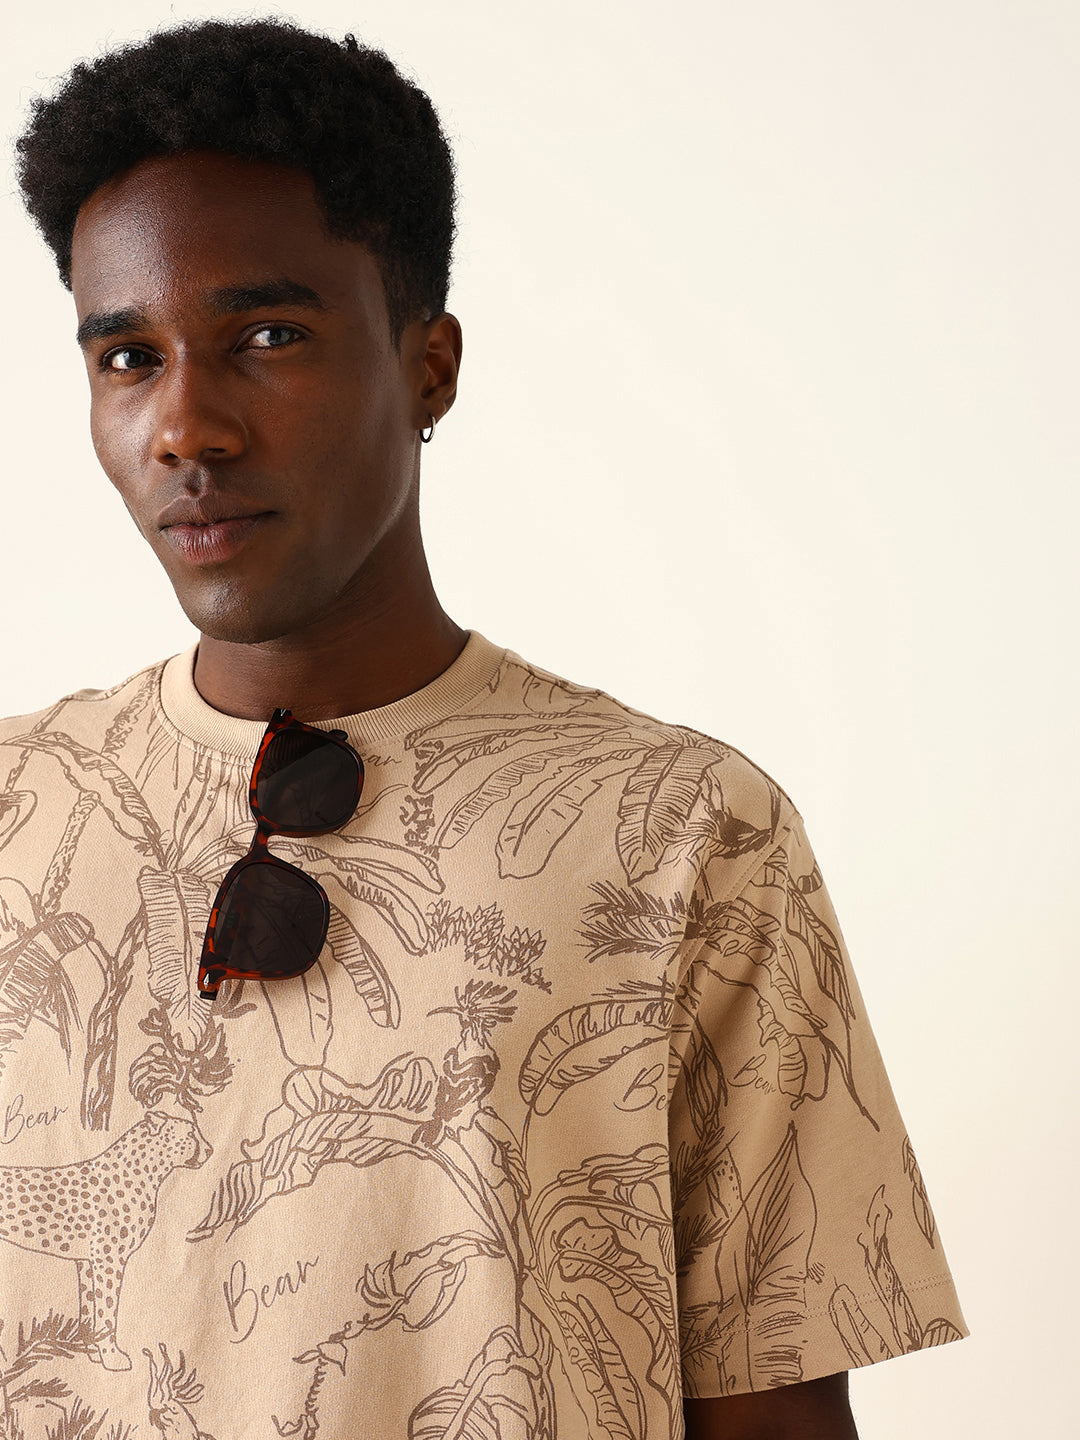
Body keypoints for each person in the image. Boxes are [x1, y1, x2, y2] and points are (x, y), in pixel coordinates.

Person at [1, 18, 966, 1439]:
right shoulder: (17, 810)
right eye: (130, 356)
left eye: (269, 337)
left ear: (431, 368)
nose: (187, 427)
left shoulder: (685, 837)